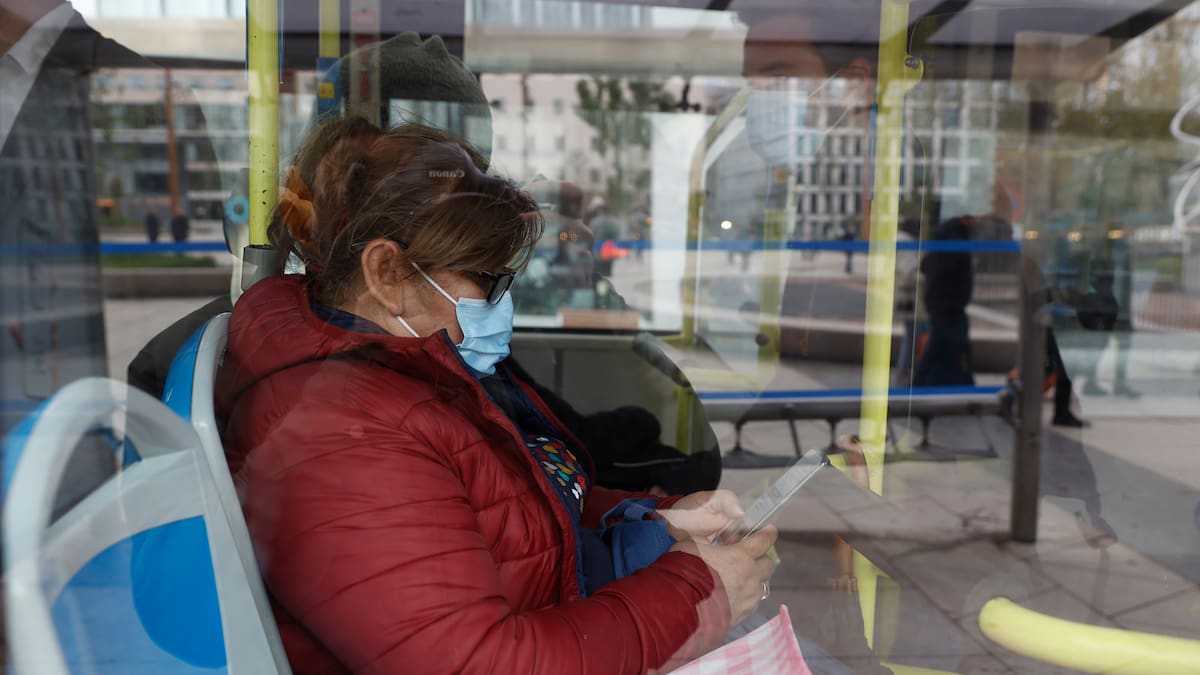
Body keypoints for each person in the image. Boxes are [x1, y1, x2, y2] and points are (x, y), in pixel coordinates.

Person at [213, 117, 778, 675]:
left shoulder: (409, 375)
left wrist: (666, 521)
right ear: (386, 273)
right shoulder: (341, 435)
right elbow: (481, 663)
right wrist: (698, 591)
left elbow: (513, 512)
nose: (500, 302)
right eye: (486, 278)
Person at [913, 216, 976, 386]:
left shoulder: (941, 242)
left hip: (939, 304)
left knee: (940, 343)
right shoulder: (958, 245)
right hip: (950, 306)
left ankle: (923, 381)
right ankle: (920, 382)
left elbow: (925, 266)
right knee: (950, 344)